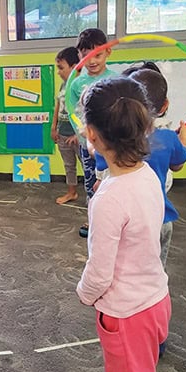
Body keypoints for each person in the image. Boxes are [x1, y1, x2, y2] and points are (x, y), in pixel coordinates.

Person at [72, 76, 171, 372]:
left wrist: (83, 294)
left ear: (92, 136)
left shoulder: (108, 199)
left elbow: (100, 272)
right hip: (155, 299)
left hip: (127, 315)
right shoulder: (146, 175)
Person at [94, 65, 186, 270]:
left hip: (127, 221)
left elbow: (101, 165)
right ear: (164, 106)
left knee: (125, 269)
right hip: (160, 218)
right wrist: (182, 139)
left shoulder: (115, 141)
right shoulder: (167, 138)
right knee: (155, 270)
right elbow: (178, 164)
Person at [66, 29, 115, 237]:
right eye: (86, 55)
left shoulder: (115, 80)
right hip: (89, 143)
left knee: (112, 180)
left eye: (98, 54)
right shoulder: (77, 84)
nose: (92, 61)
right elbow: (73, 111)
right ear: (80, 56)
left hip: (112, 143)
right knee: (90, 181)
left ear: (108, 52)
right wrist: (82, 132)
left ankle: (113, 218)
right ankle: (92, 219)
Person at [52, 46, 82, 204]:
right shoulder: (63, 85)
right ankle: (72, 192)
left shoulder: (80, 86)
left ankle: (94, 195)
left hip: (79, 137)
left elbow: (86, 113)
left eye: (61, 67)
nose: (58, 72)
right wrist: (54, 127)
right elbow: (58, 106)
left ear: (74, 66)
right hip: (62, 133)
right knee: (69, 165)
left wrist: (78, 135)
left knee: (88, 166)